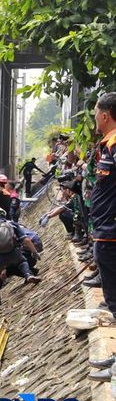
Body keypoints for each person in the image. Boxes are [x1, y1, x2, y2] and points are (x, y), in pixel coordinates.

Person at [91, 92, 116, 317]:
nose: (95, 119)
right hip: (106, 230)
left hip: (111, 231)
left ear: (106, 115)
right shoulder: (108, 145)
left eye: (96, 114)